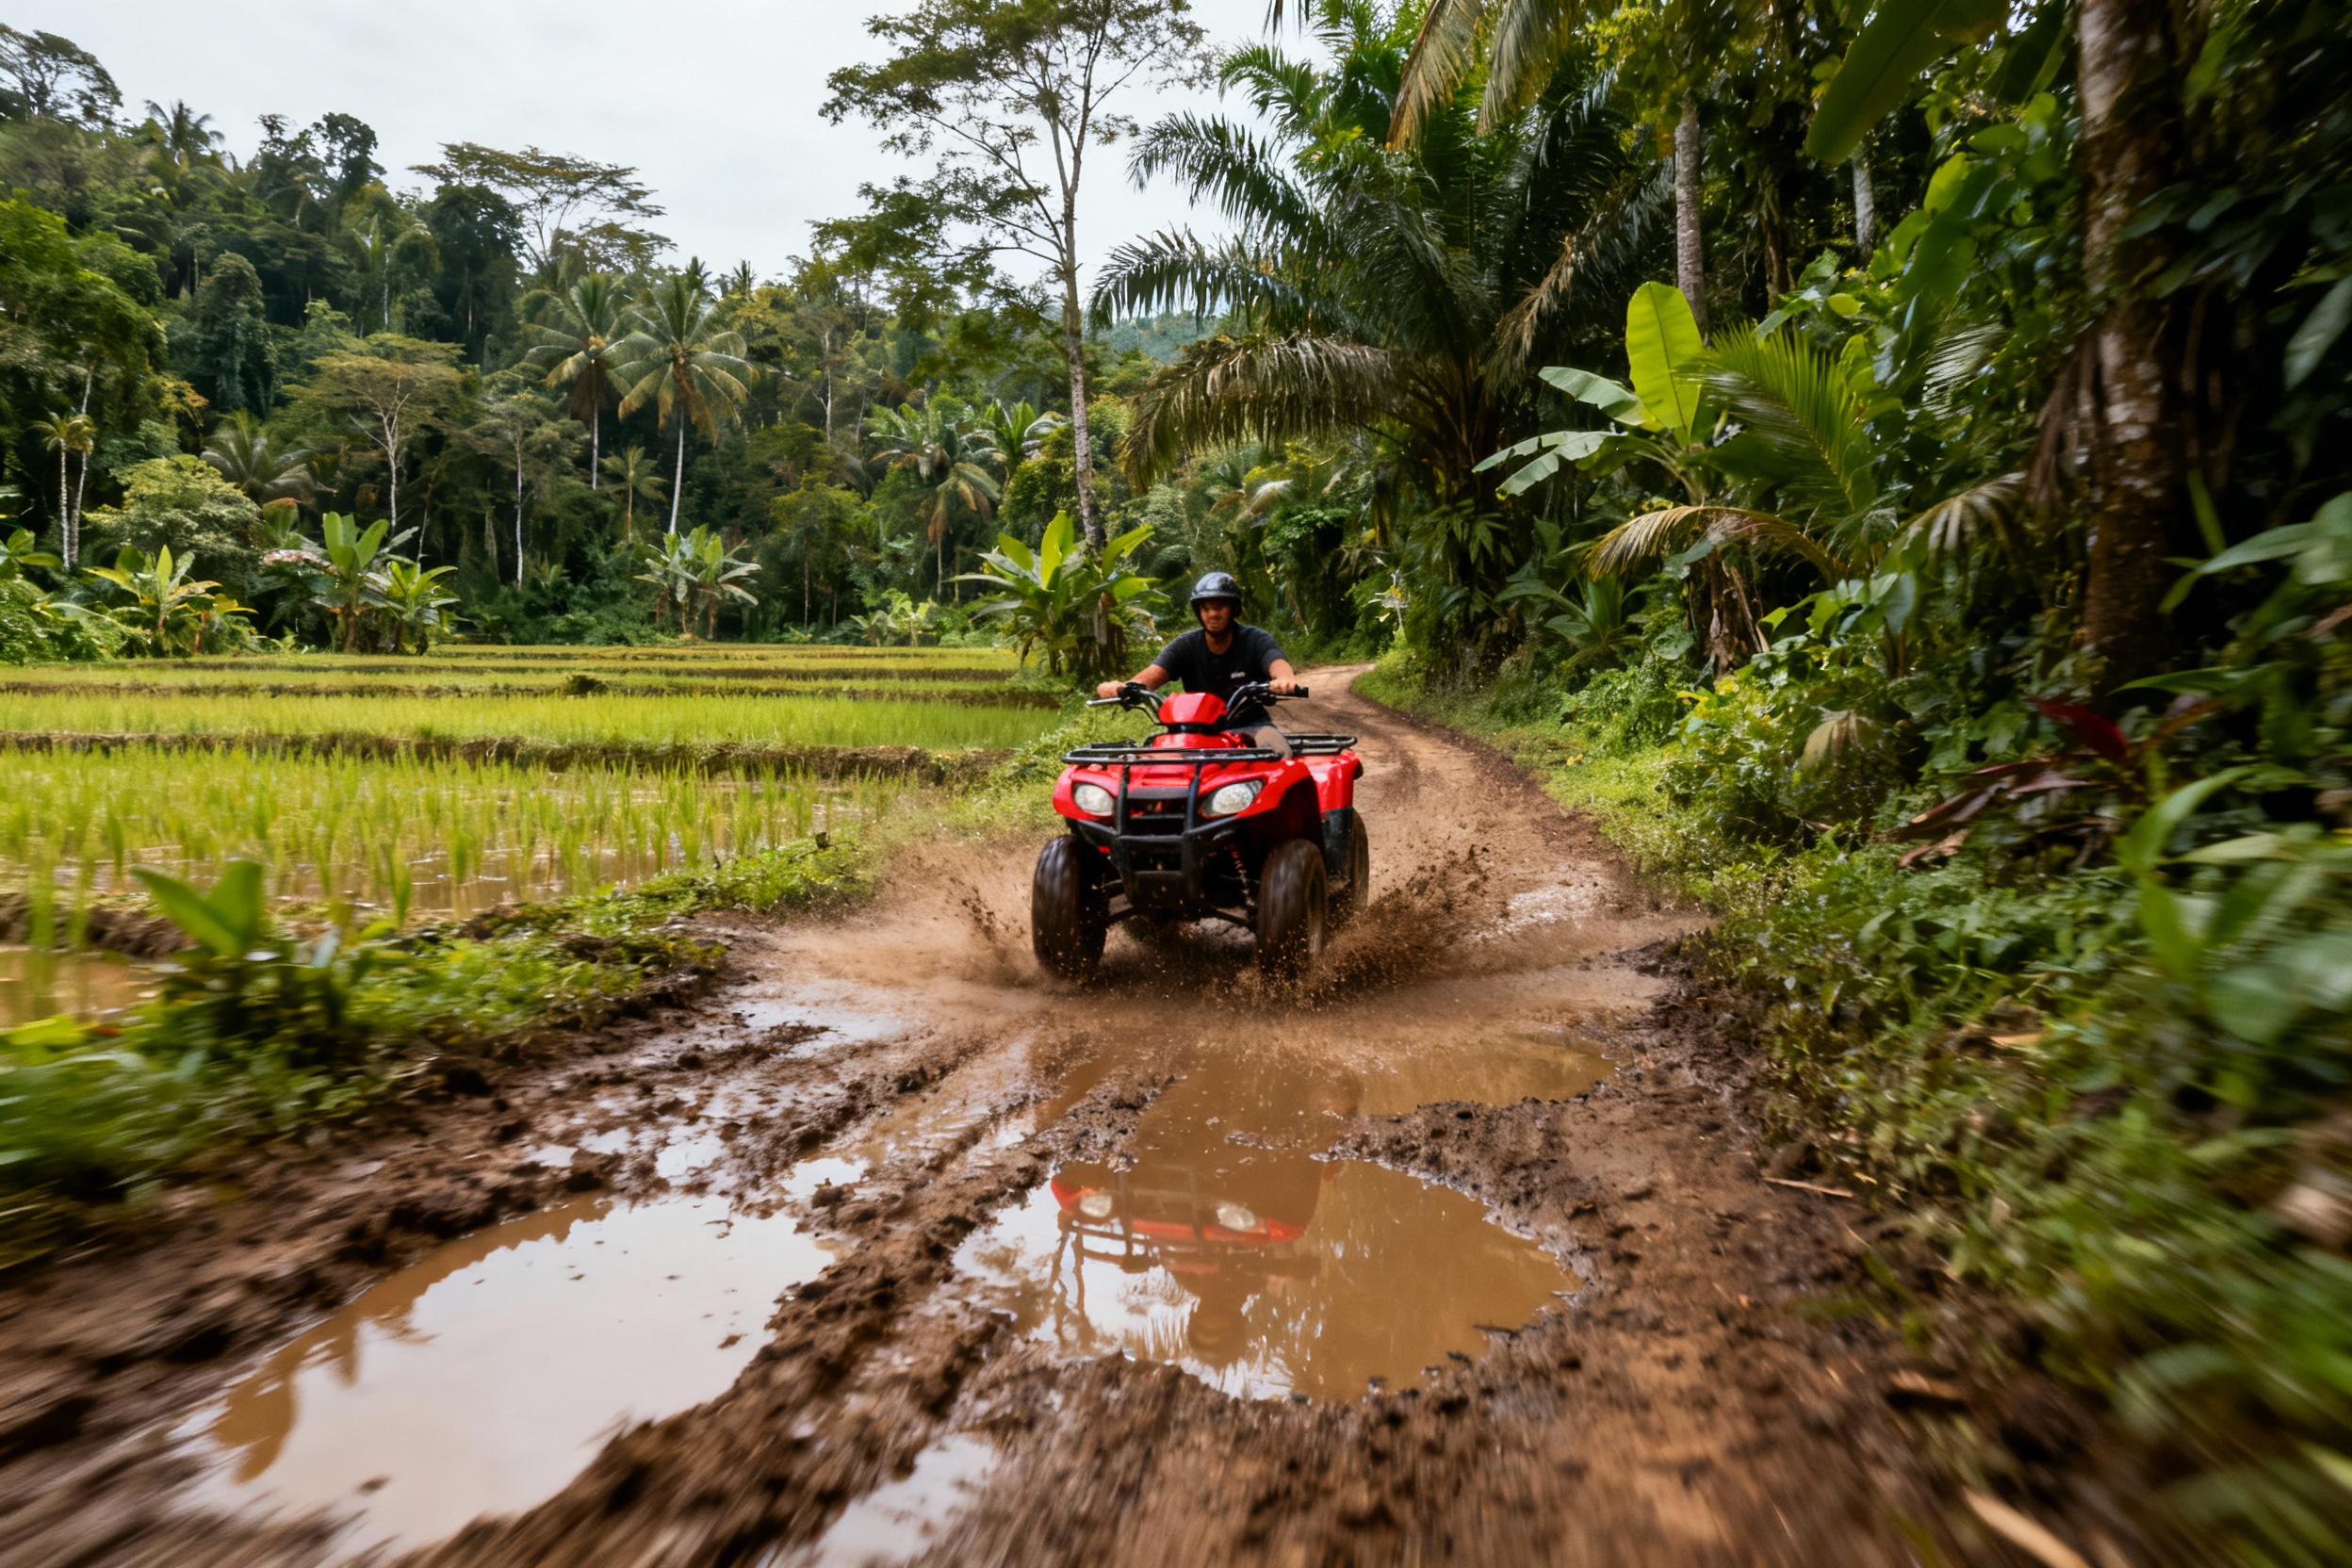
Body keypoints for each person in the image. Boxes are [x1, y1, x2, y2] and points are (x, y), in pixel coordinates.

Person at [1099, 572, 1300, 757]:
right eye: (1206, 608)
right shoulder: (1186, 644)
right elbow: (1154, 673)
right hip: (1193, 730)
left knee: (1278, 751)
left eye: (1219, 607)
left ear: (1234, 608)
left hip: (1250, 724)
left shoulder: (1254, 639)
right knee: (1149, 766)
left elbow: (1276, 661)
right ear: (1198, 611)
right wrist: (1125, 687)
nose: (1213, 614)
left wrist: (1284, 680)